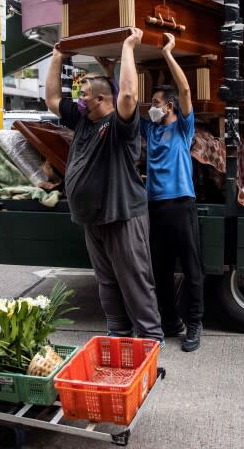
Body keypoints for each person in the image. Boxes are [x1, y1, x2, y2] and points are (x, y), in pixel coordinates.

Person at [45, 28, 163, 344]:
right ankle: (118, 331)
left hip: (122, 214)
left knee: (134, 279)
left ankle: (150, 337)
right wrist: (57, 57)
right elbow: (53, 99)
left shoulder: (119, 125)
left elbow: (127, 95)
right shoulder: (84, 120)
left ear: (100, 99)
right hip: (93, 217)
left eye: (84, 95)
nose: (78, 100)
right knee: (107, 280)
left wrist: (128, 47)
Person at [141, 33, 204, 352]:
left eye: (155, 104)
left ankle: (194, 324)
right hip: (155, 207)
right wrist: (109, 63)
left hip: (181, 205)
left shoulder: (183, 126)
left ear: (170, 107)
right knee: (160, 271)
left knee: (191, 270)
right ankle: (170, 321)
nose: (150, 108)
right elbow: (122, 95)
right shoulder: (151, 128)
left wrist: (168, 52)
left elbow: (185, 89)